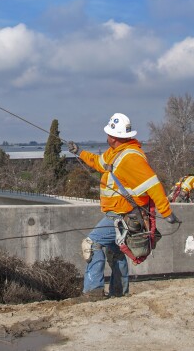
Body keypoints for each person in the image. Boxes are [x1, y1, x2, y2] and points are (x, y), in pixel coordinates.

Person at [68, 112, 180, 300]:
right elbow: (99, 163)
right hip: (119, 214)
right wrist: (79, 152)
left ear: (113, 137)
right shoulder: (116, 153)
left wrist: (166, 212)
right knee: (116, 253)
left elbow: (153, 185)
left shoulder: (130, 158)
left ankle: (93, 292)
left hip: (121, 215)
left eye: (109, 134)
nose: (107, 136)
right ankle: (119, 293)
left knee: (92, 244)